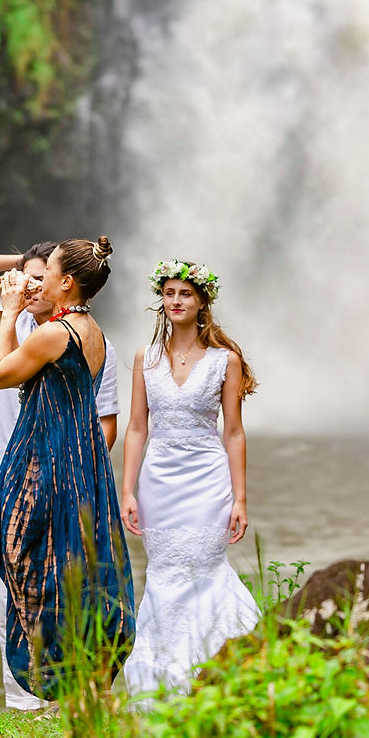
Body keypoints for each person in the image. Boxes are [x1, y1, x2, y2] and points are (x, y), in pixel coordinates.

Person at [0, 243, 120, 710]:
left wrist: (7, 314)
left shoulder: (52, 334)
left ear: (66, 282)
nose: (37, 281)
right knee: (67, 574)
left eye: (48, 273)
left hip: (42, 465)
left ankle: (39, 689)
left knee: (22, 562)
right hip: (76, 467)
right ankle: (80, 690)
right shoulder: (94, 330)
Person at [120, 258, 260, 699]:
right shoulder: (147, 358)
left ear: (202, 302)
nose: (175, 301)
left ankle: (218, 669)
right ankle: (161, 678)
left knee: (203, 566)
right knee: (163, 571)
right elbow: (137, 427)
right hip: (159, 479)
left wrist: (240, 499)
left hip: (207, 477)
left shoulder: (225, 360)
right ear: (160, 301)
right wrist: (127, 489)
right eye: (168, 293)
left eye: (185, 293)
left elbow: (233, 431)